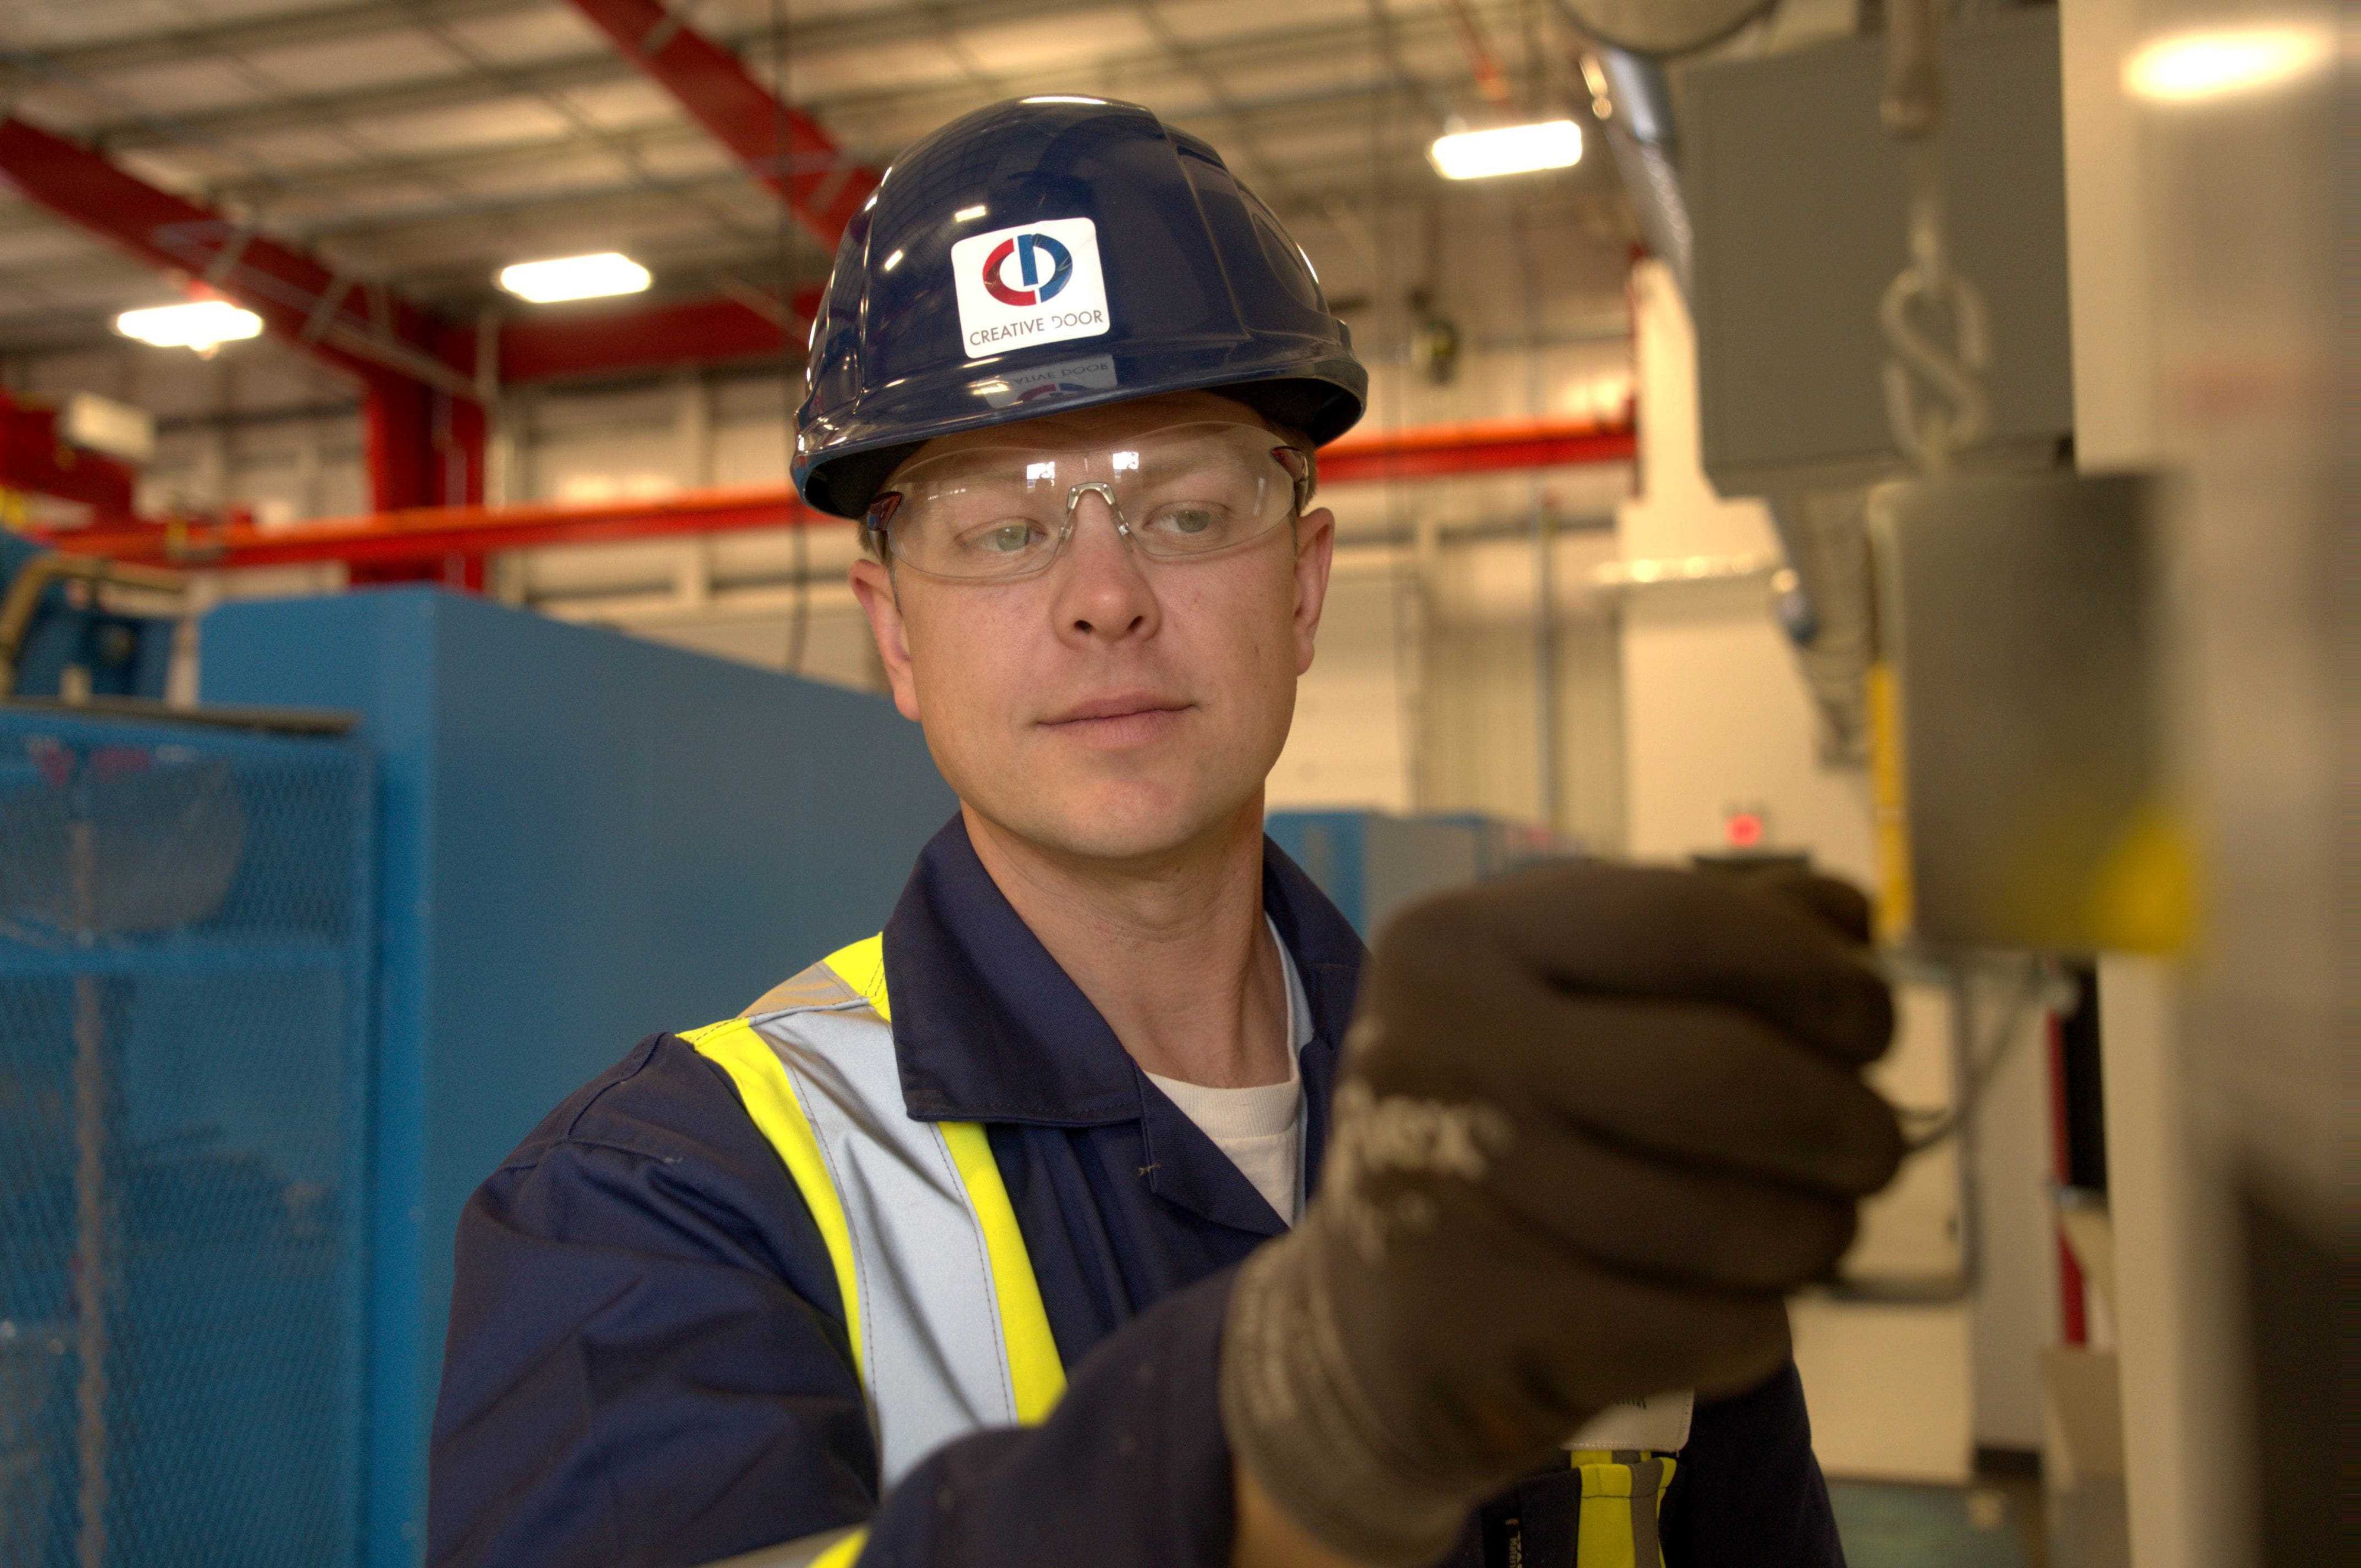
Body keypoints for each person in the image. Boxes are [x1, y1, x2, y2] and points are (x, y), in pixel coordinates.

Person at [427, 97, 1902, 1568]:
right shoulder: (665, 1200)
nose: (1103, 596)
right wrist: (1303, 1434)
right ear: (894, 635)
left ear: (1304, 586)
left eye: (1186, 512)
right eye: (1002, 530)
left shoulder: (1578, 1150)